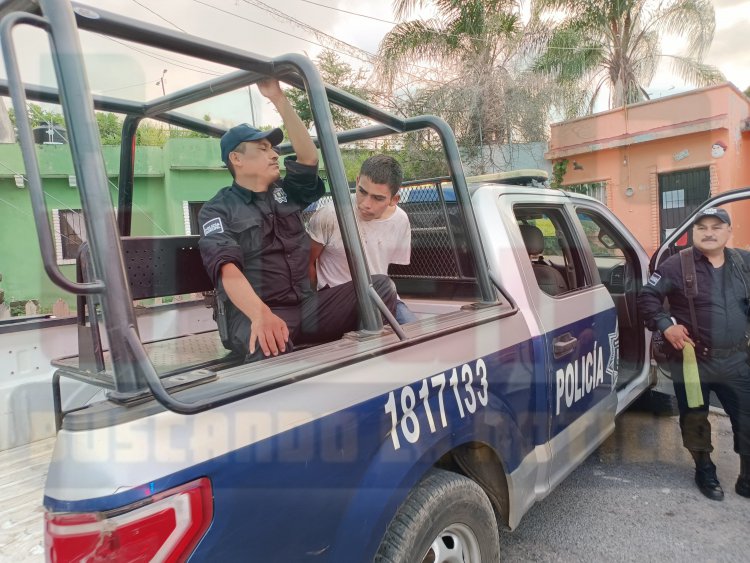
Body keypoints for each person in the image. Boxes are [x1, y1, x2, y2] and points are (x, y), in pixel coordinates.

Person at [198, 79, 397, 362]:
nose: (274, 153)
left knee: (378, 288)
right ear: (236, 159)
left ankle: (358, 365)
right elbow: (227, 270)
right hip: (260, 311)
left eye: (273, 148)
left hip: (306, 308)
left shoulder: (285, 193)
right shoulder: (217, 210)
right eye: (263, 147)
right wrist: (261, 314)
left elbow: (307, 157)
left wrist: (278, 98)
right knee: (267, 344)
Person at [639, 207, 750, 501]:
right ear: (692, 233)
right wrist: (666, 326)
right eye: (702, 227)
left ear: (729, 231)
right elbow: (647, 298)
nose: (710, 232)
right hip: (693, 361)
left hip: (738, 360)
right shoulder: (676, 265)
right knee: (695, 419)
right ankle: (704, 470)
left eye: (717, 226)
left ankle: (747, 476)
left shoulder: (744, 261)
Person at [307, 154, 417, 324]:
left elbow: (384, 265)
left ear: (394, 199)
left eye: (378, 198)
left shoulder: (401, 220)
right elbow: (307, 262)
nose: (366, 203)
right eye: (362, 191)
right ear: (357, 181)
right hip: (336, 300)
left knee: (416, 335)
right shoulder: (330, 214)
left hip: (380, 296)